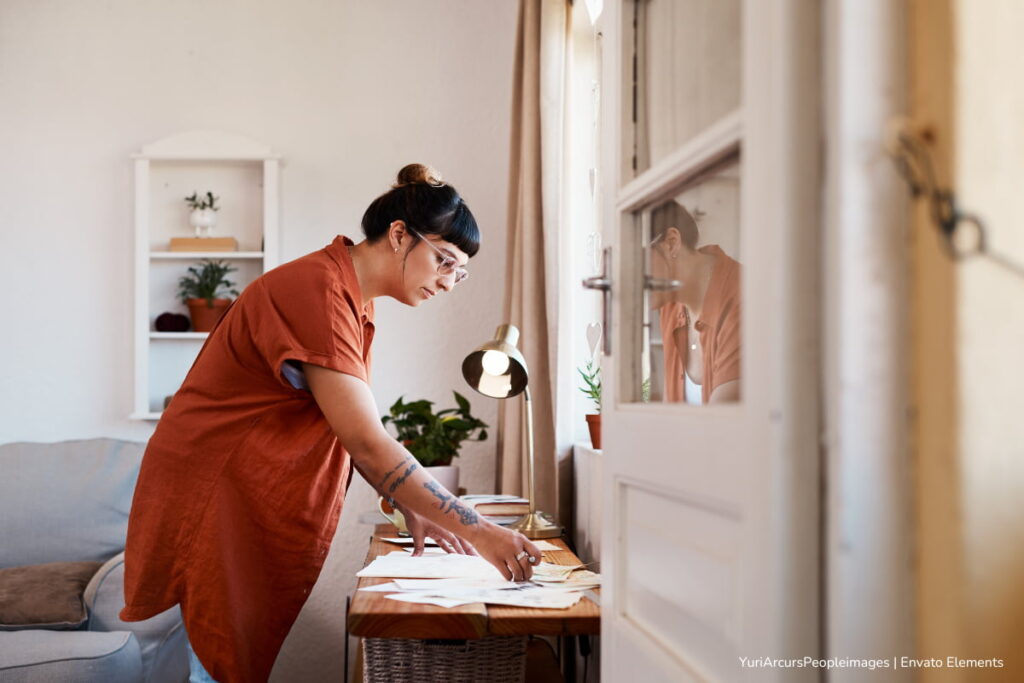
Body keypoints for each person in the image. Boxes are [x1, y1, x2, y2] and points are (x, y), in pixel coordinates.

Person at [119, 164, 542, 683]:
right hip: (214, 490)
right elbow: (365, 441)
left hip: (235, 485)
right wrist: (481, 534)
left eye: (460, 271)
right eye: (445, 261)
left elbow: (351, 419)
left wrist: (417, 505)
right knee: (217, 659)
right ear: (399, 235)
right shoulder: (318, 290)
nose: (449, 282)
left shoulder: (350, 297)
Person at [649, 202, 741, 404]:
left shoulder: (742, 298)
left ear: (671, 243)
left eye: (632, 259)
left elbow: (721, 423)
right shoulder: (670, 303)